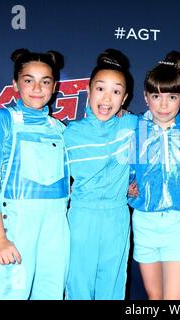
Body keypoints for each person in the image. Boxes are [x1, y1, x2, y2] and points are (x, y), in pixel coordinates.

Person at [0, 48, 70, 299]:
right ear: (15, 84)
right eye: (29, 80)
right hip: (16, 231)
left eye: (45, 81)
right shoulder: (3, 119)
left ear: (55, 86)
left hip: (55, 232)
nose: (37, 88)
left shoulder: (60, 129)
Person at [128, 51, 180, 300]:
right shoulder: (133, 128)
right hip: (144, 221)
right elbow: (126, 171)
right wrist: (129, 186)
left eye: (171, 96)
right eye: (156, 96)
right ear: (145, 97)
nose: (163, 104)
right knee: (154, 297)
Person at [63, 49, 137, 300]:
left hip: (117, 216)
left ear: (125, 98)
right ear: (88, 90)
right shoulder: (69, 133)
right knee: (78, 285)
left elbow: (169, 126)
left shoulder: (133, 125)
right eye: (100, 89)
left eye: (116, 91)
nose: (107, 98)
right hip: (81, 217)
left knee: (112, 287)